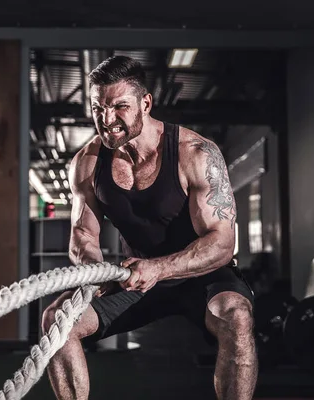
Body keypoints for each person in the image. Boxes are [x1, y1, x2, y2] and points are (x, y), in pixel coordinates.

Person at [41, 55, 257, 400]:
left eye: (119, 107)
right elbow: (83, 235)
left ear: (145, 103)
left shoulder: (195, 153)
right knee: (58, 320)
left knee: (237, 315)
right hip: (138, 279)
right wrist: (95, 270)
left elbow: (222, 243)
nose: (107, 120)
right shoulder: (87, 163)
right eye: (98, 108)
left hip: (201, 274)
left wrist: (159, 267)